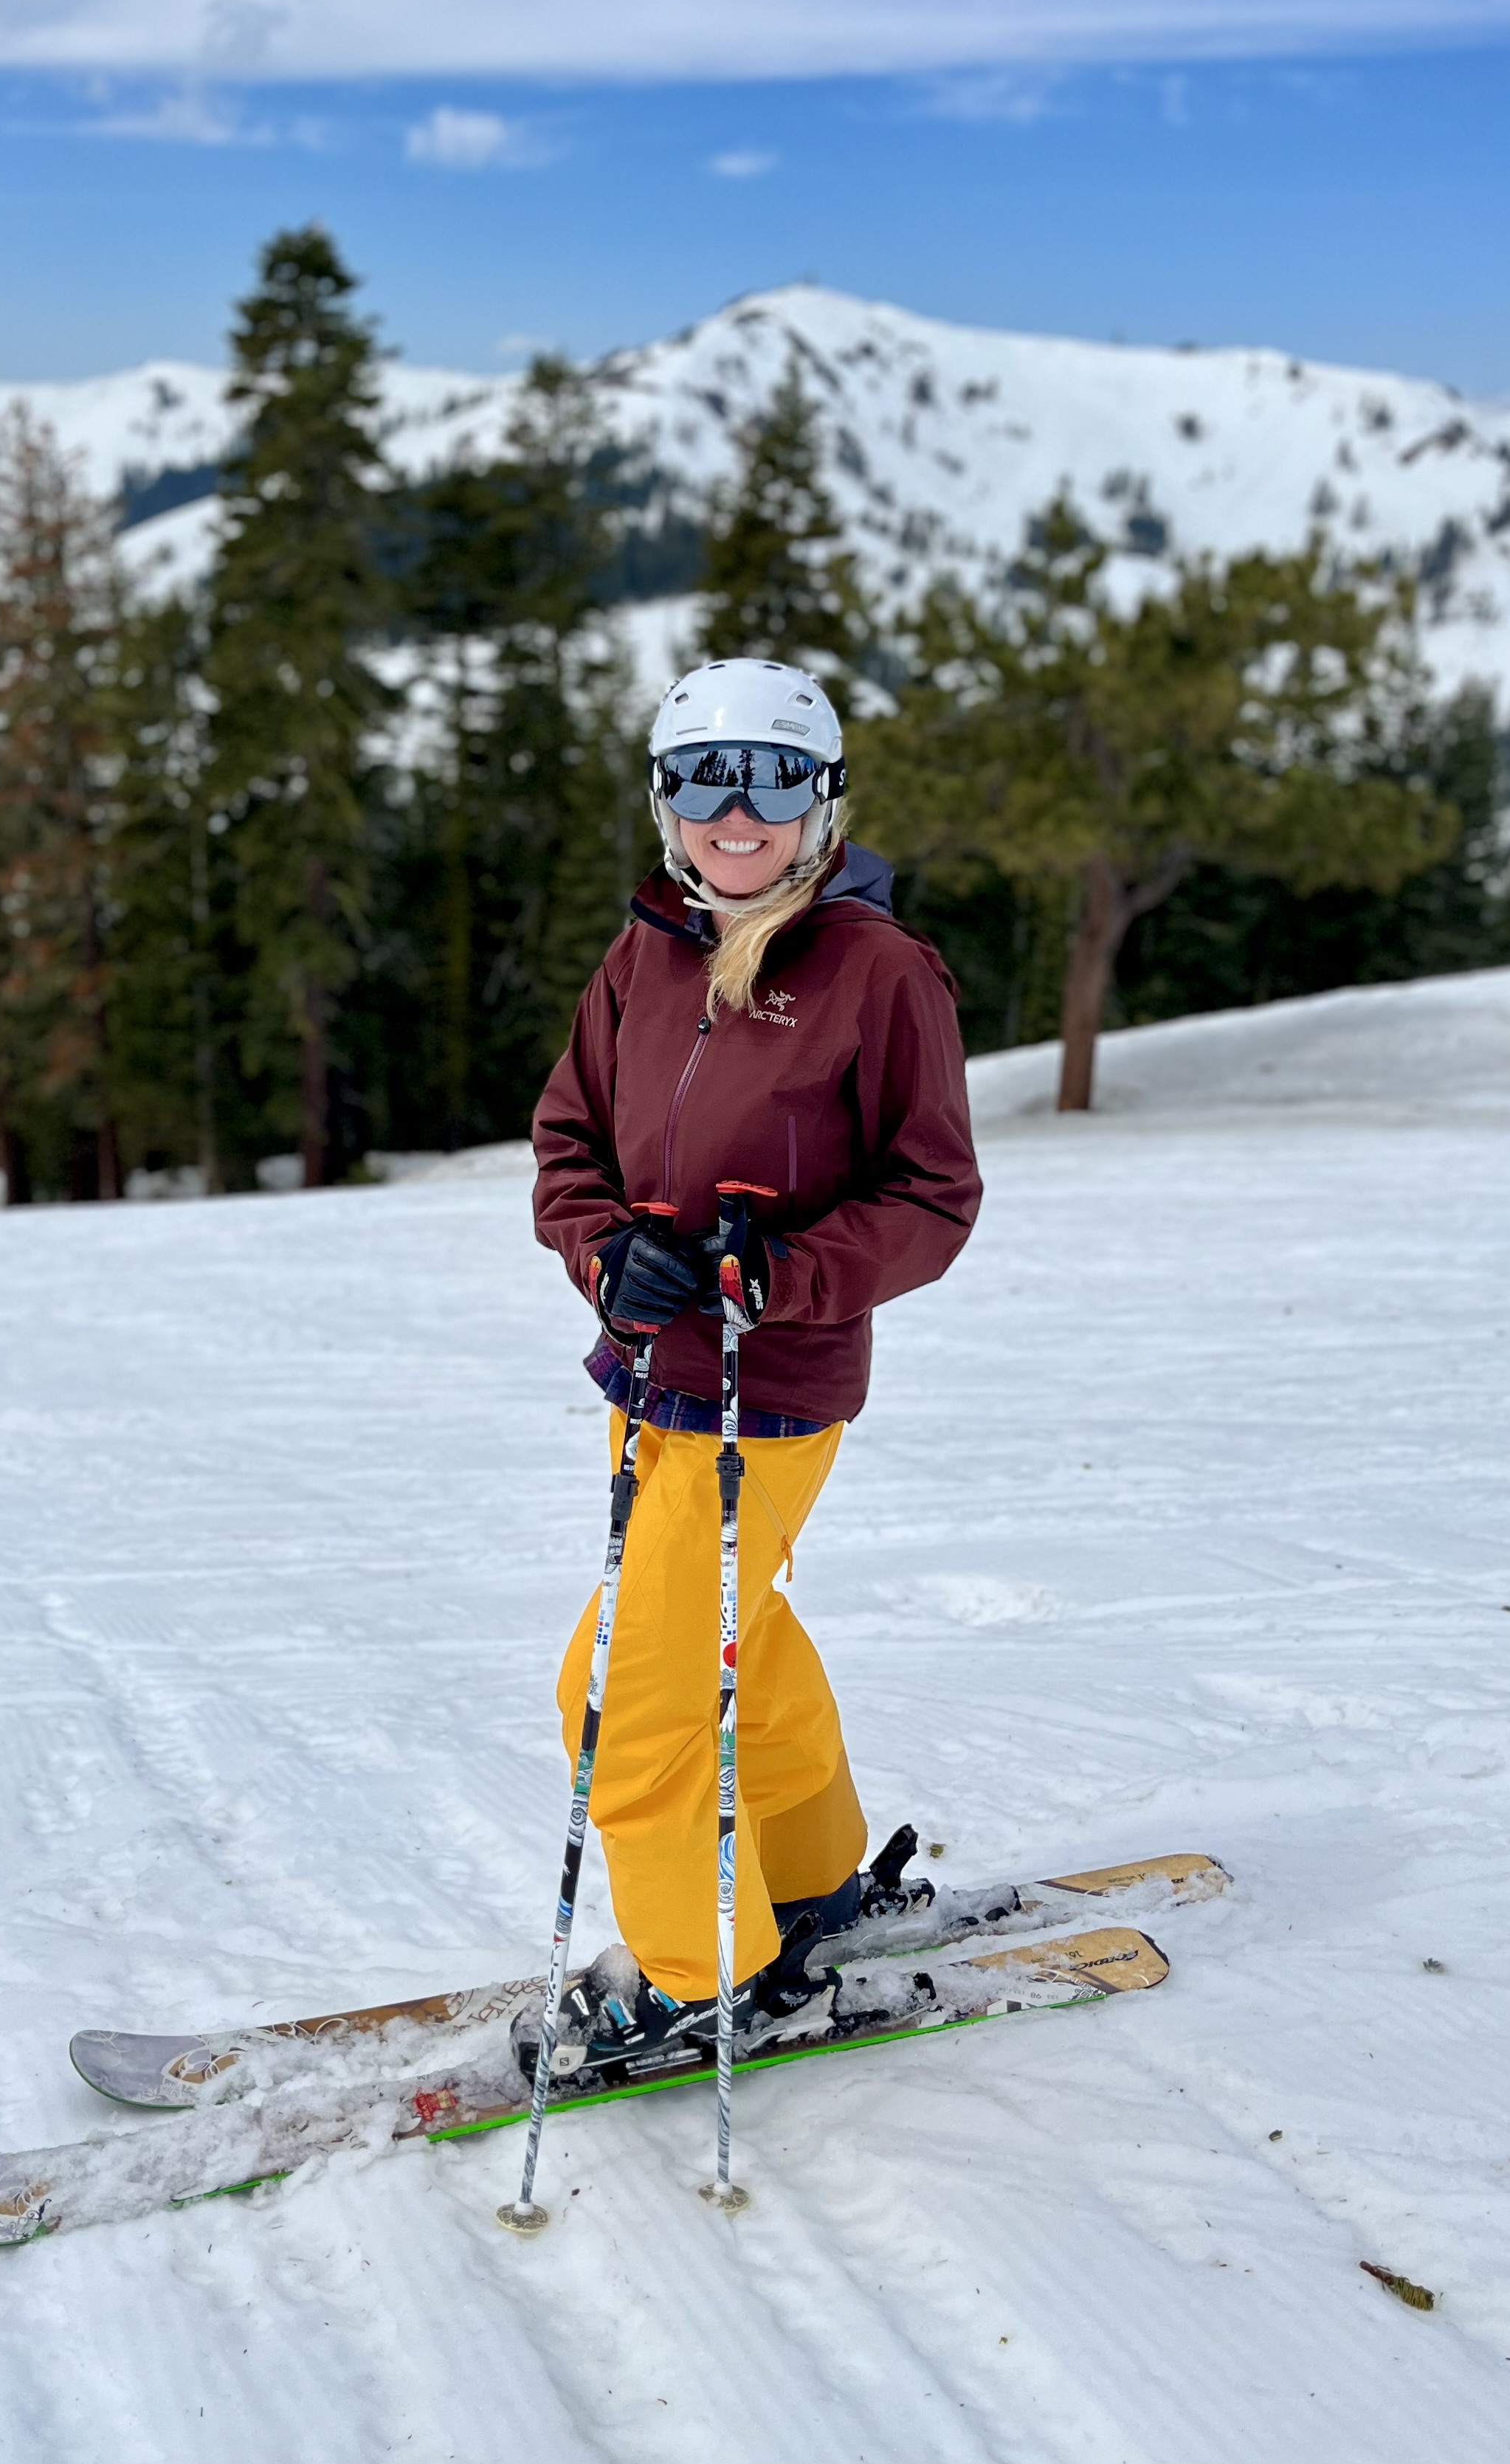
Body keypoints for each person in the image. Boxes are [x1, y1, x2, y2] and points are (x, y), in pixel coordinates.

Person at [523, 655, 982, 2075]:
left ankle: (701, 1972)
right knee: (743, 1634)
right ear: (665, 805)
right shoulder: (644, 953)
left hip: (766, 1392)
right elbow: (565, 1147)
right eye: (703, 779)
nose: (739, 812)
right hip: (644, 1378)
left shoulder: (877, 971)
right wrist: (607, 1253)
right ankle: (811, 1874)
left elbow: (930, 1196)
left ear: (821, 800)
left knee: (626, 1695)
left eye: (773, 778)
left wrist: (776, 1274)